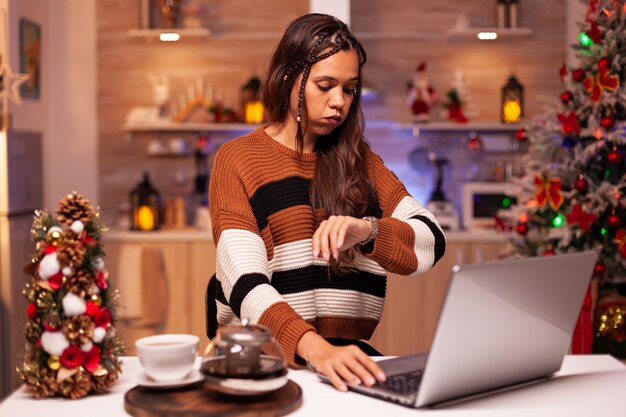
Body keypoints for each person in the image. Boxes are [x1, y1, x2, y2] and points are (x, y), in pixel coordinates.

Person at [209, 13, 446, 392]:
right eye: (325, 85)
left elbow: (432, 240)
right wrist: (316, 350)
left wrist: (366, 230)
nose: (340, 102)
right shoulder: (238, 160)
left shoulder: (359, 160)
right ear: (288, 78)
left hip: (345, 365)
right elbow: (246, 285)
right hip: (262, 366)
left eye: (350, 89)